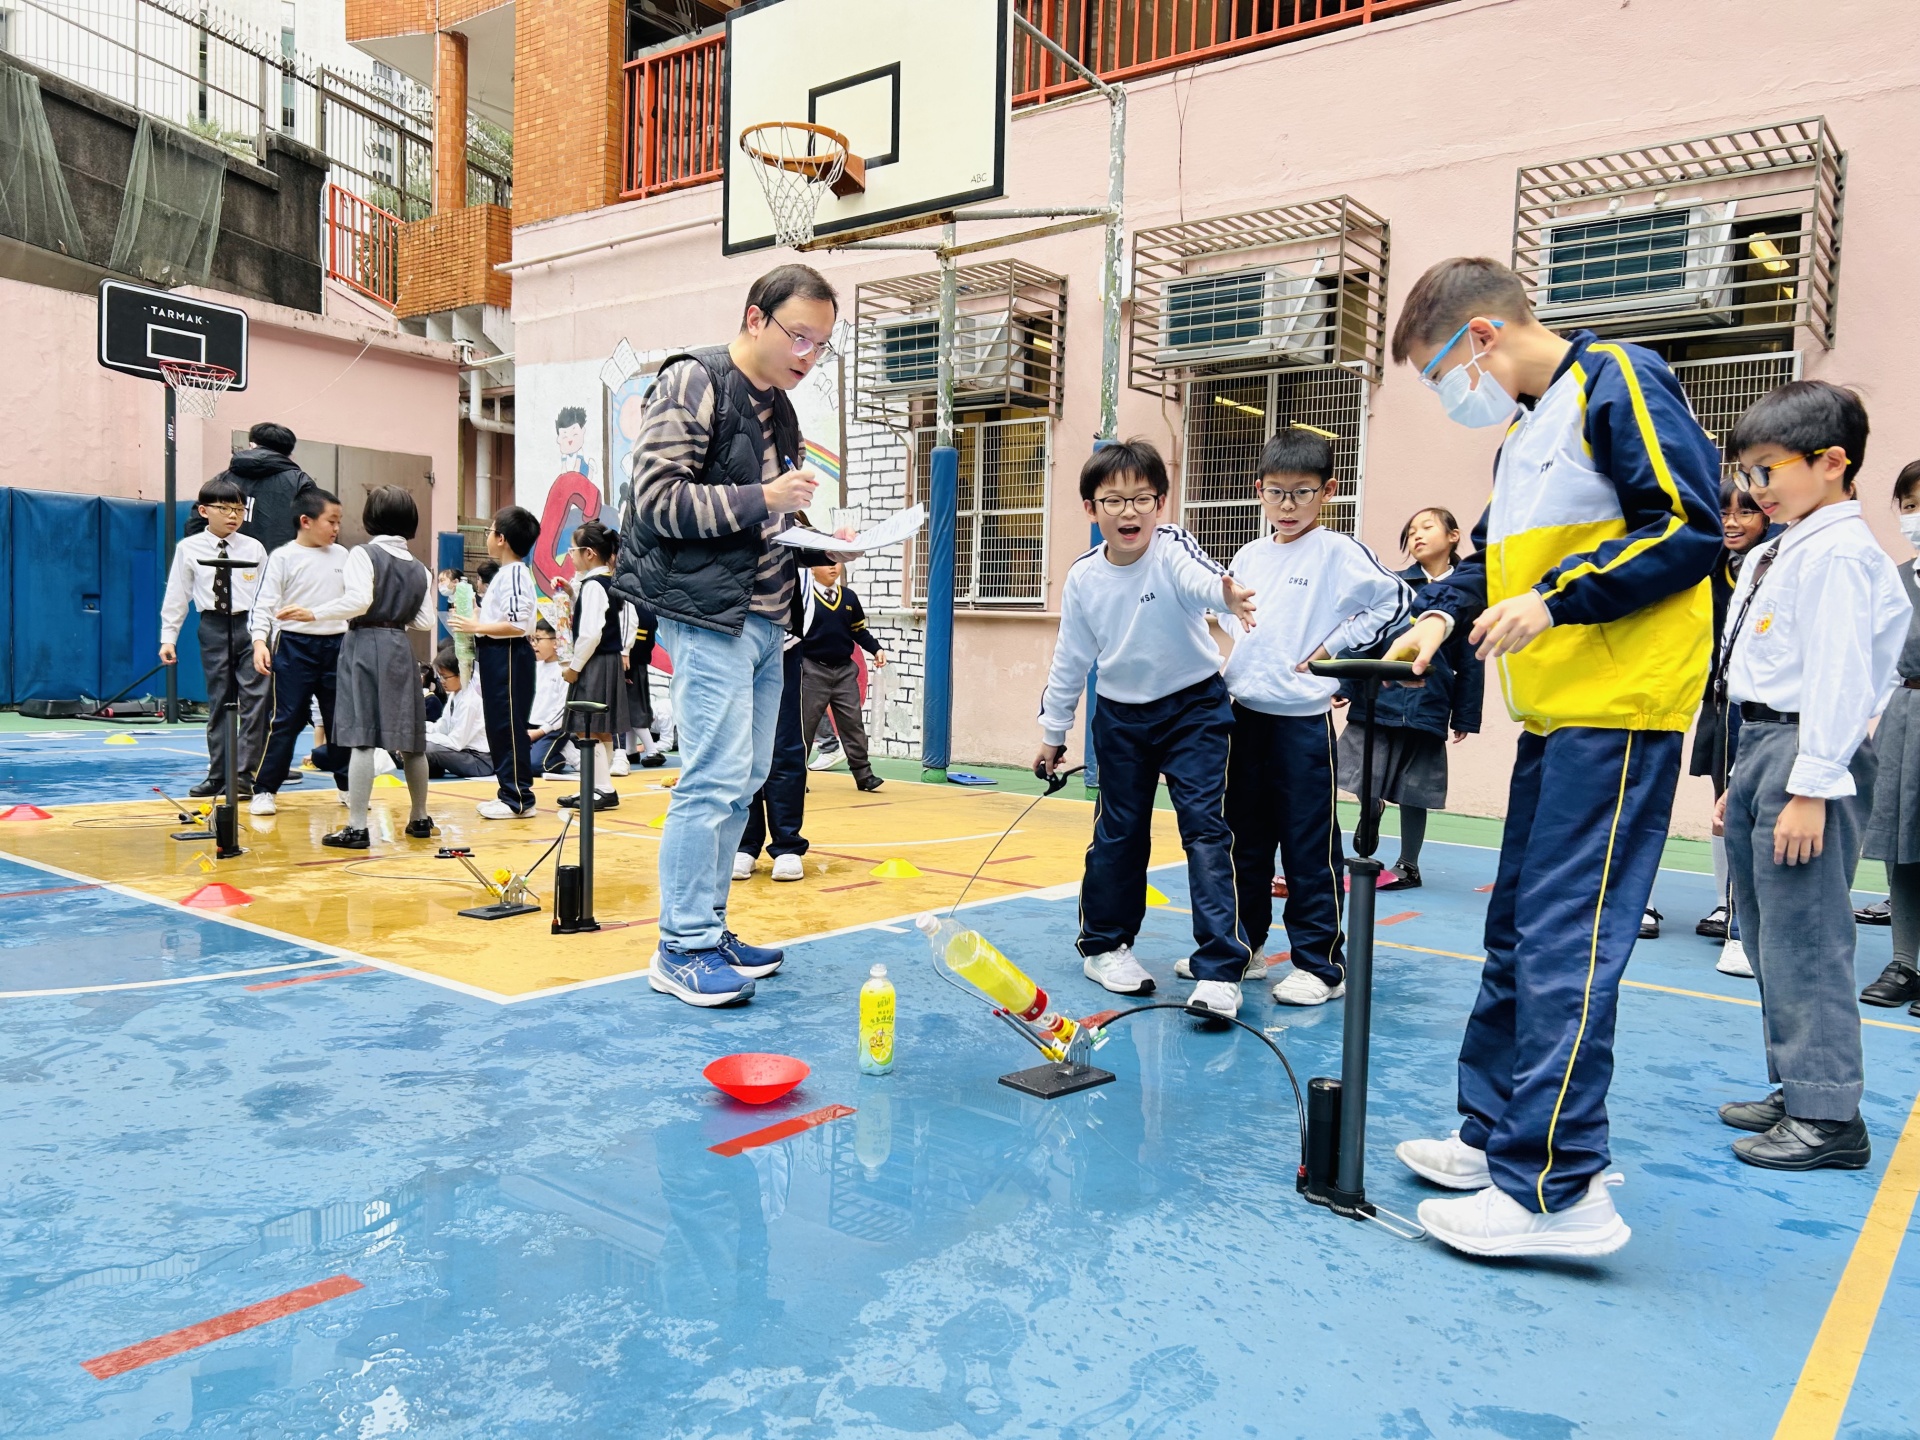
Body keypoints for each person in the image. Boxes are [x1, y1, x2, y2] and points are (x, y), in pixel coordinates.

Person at [1383, 257, 1722, 1259]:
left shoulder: (1617, 379)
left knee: (1567, 943)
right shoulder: (1525, 433)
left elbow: (1687, 525)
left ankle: (1557, 1189)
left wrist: (1557, 598)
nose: (1450, 397)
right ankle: (1494, 1135)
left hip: (1618, 713)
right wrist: (1440, 616)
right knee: (1517, 934)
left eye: (1440, 373)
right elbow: (1491, 561)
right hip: (1557, 718)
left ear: (1482, 338)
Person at [616, 264, 850, 1008]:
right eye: (800, 337)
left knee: (744, 779)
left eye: (822, 344)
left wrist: (820, 543)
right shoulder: (694, 380)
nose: (809, 356)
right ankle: (680, 946)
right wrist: (763, 497)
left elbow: (769, 522)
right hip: (709, 615)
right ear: (756, 318)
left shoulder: (780, 409)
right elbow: (656, 499)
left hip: (768, 620)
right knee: (712, 778)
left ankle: (708, 929)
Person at [1715, 383, 1906, 1171]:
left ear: (1831, 462)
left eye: (1768, 470)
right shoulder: (1786, 546)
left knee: (1807, 936)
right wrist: (1744, 772)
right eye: (1746, 473)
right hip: (1768, 742)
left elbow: (1839, 676)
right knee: (1767, 932)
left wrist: (1810, 786)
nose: (1754, 488)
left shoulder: (1839, 554)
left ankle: (1829, 1116)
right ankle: (1798, 1084)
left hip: (1808, 751)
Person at [1034, 439, 1259, 1015]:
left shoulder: (1172, 548)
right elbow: (1070, 659)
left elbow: (1201, 580)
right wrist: (1054, 732)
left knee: (1206, 830)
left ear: (1160, 503)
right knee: (1120, 832)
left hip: (1194, 709)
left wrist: (1226, 595)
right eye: (1113, 500)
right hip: (1120, 716)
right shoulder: (1084, 578)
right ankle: (1104, 946)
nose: (1128, 512)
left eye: (1141, 499)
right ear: (1091, 509)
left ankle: (1220, 969)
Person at [1208, 426, 1412, 1011]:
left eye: (1302, 491)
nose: (1288, 504)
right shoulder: (1249, 555)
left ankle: (1320, 965)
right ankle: (1244, 947)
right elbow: (1235, 619)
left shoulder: (1338, 552)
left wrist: (1333, 649)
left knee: (1307, 846)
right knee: (1242, 843)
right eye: (1276, 492)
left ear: (1328, 491)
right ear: (1259, 491)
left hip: (1301, 722)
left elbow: (1396, 600)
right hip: (1244, 717)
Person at [1335, 506, 1483, 892]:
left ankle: (1408, 865)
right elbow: (1367, 638)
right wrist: (1345, 684)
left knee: (1416, 788)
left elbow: (1471, 661)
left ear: (1453, 536)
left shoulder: (1469, 597)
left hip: (1429, 707)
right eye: (1410, 531)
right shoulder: (1395, 586)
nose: (1416, 535)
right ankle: (1370, 810)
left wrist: (1465, 716)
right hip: (1379, 699)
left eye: (1426, 527)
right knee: (1363, 772)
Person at [290, 485, 436, 849]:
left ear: (372, 517)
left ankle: (357, 827)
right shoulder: (420, 568)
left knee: (362, 738)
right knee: (412, 741)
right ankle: (420, 818)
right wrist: (397, 608)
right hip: (400, 647)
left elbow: (358, 601)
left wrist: (315, 612)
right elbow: (425, 622)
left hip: (365, 644)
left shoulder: (363, 554)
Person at [1685, 483, 1772, 963]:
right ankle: (1726, 904)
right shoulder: (1708, 564)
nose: (1733, 522)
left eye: (1746, 512)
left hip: (1765, 706)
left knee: (1759, 806)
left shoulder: (1779, 562)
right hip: (1720, 700)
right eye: (1724, 513)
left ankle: (1754, 915)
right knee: (1723, 802)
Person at [160, 477, 269, 799]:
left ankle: (244, 776)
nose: (233, 516)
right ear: (204, 510)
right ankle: (218, 775)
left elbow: (266, 595)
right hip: (213, 625)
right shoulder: (189, 548)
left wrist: (264, 636)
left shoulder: (254, 548)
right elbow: (177, 594)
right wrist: (169, 637)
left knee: (256, 702)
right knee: (220, 702)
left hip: (250, 626)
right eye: (224, 508)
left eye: (239, 509)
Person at [248, 488, 351, 814]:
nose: (336, 528)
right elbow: (263, 604)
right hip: (294, 646)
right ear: (306, 521)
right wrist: (260, 641)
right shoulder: (283, 557)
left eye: (339, 522)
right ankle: (265, 790)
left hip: (337, 646)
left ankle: (349, 787)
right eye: (331, 521)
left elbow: (354, 601)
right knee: (287, 720)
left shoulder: (343, 556)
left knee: (340, 722)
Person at [1860, 459, 1920, 1014]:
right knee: (1902, 844)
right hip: (1906, 717)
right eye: (1910, 505)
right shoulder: (1895, 579)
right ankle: (1904, 962)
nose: (1916, 515)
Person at [446, 506, 542, 820]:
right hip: (498, 654)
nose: (487, 536)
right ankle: (510, 793)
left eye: (489, 531)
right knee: (500, 726)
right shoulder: (508, 574)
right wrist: (473, 616)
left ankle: (517, 798)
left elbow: (518, 624)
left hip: (508, 654)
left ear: (501, 538)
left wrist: (476, 626)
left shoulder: (514, 574)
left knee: (508, 725)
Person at [737, 574, 813, 885]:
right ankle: (744, 843)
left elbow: (801, 592)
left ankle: (787, 844)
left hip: (780, 645)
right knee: (739, 745)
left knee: (783, 744)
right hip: (730, 645)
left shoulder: (788, 547)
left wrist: (781, 637)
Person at [558, 521, 634, 811]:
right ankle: (598, 787)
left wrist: (575, 667)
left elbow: (590, 633)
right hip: (607, 660)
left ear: (588, 553)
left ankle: (601, 788)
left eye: (573, 550)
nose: (571, 556)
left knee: (587, 727)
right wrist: (572, 593)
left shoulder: (592, 585)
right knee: (600, 728)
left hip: (594, 662)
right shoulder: (605, 582)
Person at [799, 562, 885, 792]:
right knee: (804, 727)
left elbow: (858, 631)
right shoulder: (803, 596)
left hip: (845, 671)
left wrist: (876, 649)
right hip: (811, 670)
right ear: (811, 568)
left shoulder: (848, 597)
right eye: (825, 563)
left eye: (836, 562)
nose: (833, 567)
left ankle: (864, 776)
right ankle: (796, 778)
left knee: (853, 725)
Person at [185, 422, 318, 554]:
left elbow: (197, 522)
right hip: (280, 564)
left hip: (225, 562)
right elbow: (315, 528)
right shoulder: (300, 482)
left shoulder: (224, 478)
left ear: (252, 445)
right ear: (289, 452)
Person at [424, 644, 493, 779]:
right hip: (462, 753)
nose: (442, 682)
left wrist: (423, 738)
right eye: (440, 677)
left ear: (462, 674)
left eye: (445, 677)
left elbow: (456, 743)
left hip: (479, 761)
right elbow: (441, 728)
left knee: (426, 748)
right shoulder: (454, 695)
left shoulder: (470, 700)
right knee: (409, 743)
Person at [529, 619, 572, 776]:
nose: (533, 644)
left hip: (552, 729)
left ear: (555, 642)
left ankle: (566, 755)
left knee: (535, 766)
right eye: (532, 639)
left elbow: (563, 709)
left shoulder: (565, 669)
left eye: (538, 639)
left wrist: (540, 731)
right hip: (531, 725)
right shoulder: (533, 667)